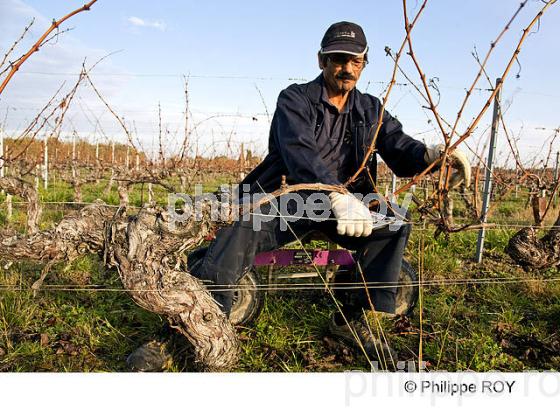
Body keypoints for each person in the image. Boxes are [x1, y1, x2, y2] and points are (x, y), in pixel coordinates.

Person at [189, 21, 471, 360]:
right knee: (243, 227)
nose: (347, 69)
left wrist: (433, 155)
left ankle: (351, 317)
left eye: (356, 61)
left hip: (349, 203)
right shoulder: (294, 100)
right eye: (338, 59)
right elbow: (298, 151)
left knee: (395, 223)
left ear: (364, 64)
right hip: (287, 196)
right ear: (321, 60)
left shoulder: (370, 109)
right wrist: (335, 194)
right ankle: (198, 324)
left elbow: (398, 146)